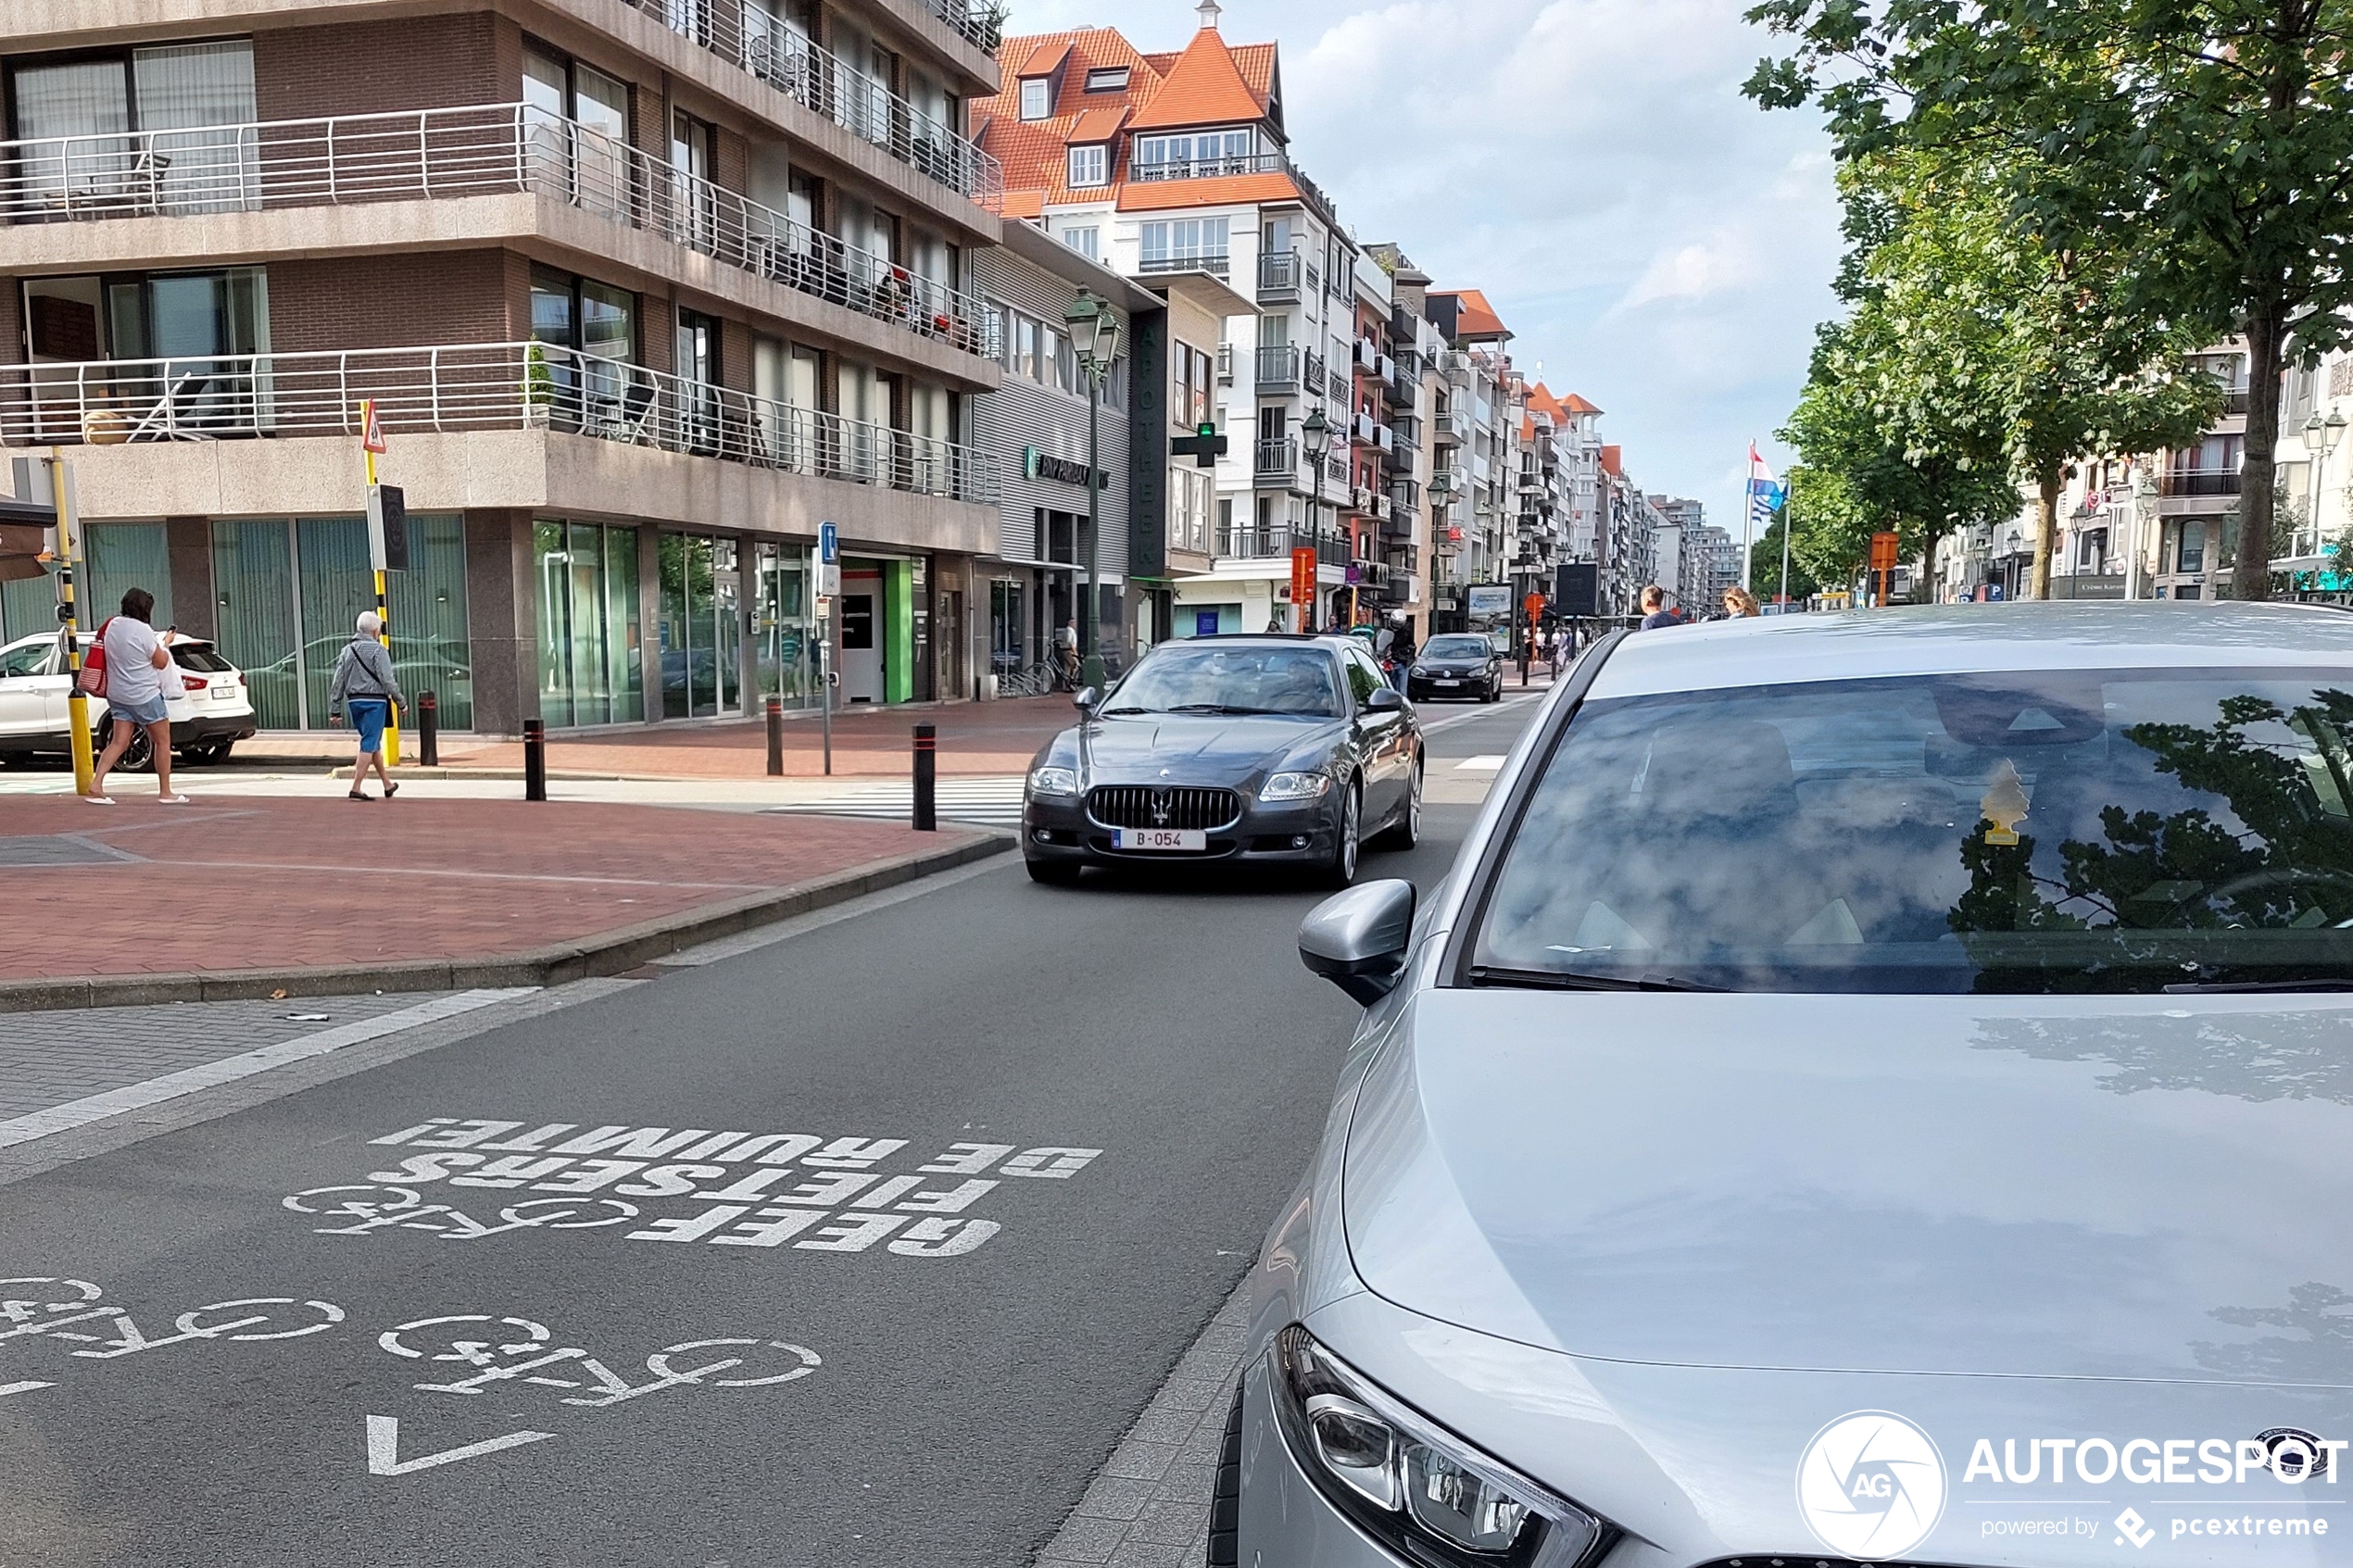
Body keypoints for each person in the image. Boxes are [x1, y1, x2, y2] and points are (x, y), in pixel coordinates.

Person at [86, 587, 187, 806]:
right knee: (162, 741)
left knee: (119, 742)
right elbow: (160, 662)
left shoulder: (111, 625)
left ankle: (97, 784)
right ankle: (166, 792)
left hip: (117, 694)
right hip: (144, 695)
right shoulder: (143, 630)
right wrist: (164, 644)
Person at [329, 611, 407, 801]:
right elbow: (387, 680)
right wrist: (401, 702)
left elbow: (338, 680)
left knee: (372, 743)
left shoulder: (347, 650)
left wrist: (335, 708)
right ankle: (356, 787)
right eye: (379, 630)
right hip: (375, 703)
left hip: (354, 702)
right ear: (374, 631)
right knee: (368, 744)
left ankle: (387, 784)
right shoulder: (379, 651)